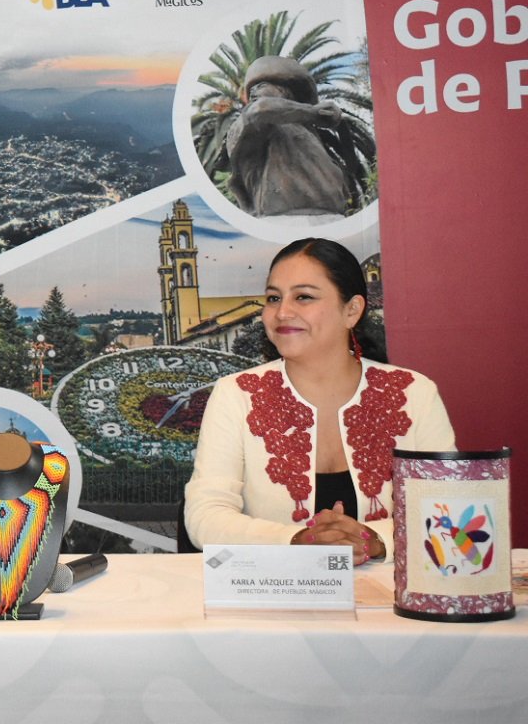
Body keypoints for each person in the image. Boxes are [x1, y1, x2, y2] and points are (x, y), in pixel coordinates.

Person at [184, 238, 455, 563]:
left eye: (304, 297)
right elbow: (205, 516)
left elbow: (447, 507)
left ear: (352, 310)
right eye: (273, 298)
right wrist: (297, 540)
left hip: (390, 601)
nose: (282, 312)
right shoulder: (236, 394)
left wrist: (377, 540)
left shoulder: (414, 394)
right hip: (276, 595)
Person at [226, 56, 357, 218]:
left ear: (285, 91)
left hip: (331, 220)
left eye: (261, 85)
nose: (253, 91)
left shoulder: (306, 133)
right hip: (285, 221)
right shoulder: (250, 124)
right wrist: (314, 112)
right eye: (251, 88)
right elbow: (259, 110)